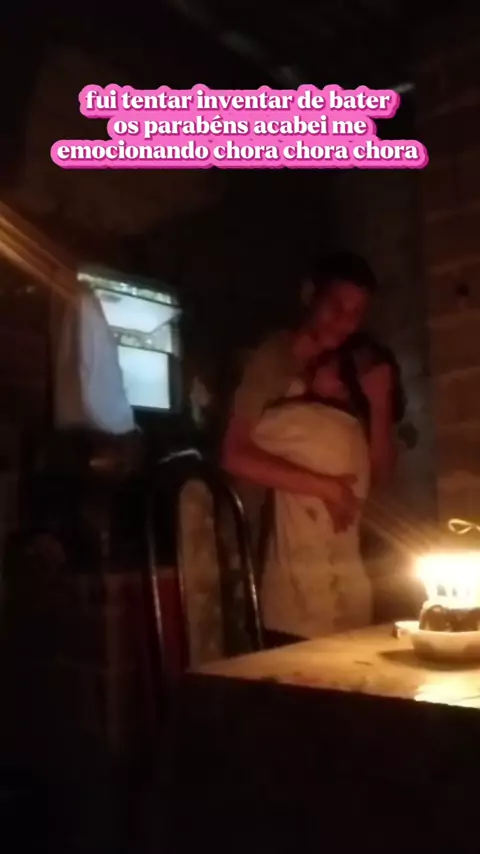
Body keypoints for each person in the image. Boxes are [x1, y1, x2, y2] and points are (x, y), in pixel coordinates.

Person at [222, 251, 380, 644]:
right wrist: (327, 488)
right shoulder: (272, 360)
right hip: (258, 551)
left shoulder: (337, 369)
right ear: (310, 295)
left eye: (356, 314)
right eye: (336, 307)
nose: (344, 322)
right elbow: (233, 454)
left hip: (327, 564)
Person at [251, 335, 405, 642]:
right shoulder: (355, 432)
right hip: (352, 604)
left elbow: (233, 443)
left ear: (342, 384)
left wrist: (294, 384)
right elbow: (382, 476)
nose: (315, 364)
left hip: (299, 608)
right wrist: (380, 406)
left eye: (327, 363)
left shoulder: (303, 421)